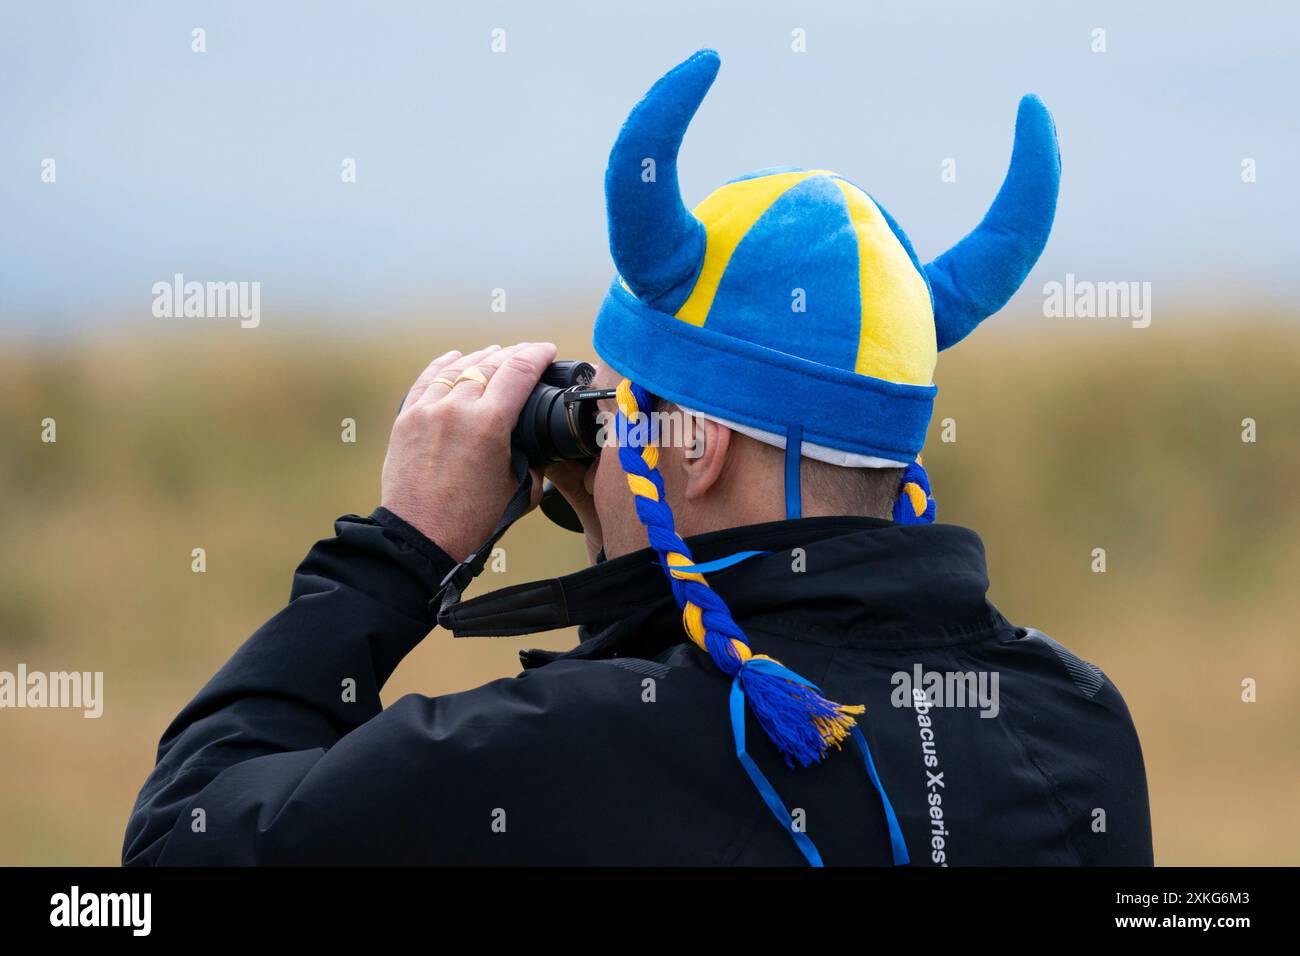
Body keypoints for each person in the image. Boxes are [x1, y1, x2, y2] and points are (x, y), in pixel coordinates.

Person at [123, 50, 1152, 866]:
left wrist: (395, 551)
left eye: (611, 413)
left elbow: (182, 841)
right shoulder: (1075, 721)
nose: (595, 448)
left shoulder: (578, 748)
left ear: (692, 448)